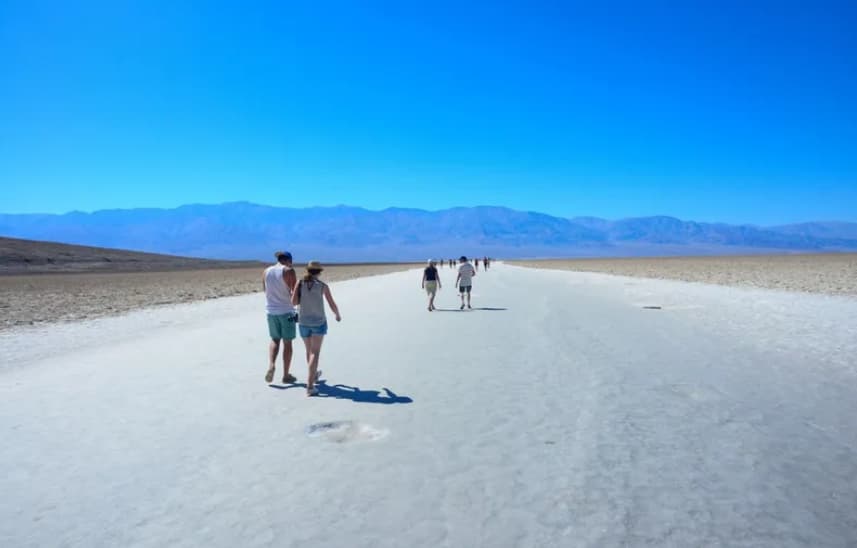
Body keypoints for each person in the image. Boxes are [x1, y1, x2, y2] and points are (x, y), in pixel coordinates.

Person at [291, 260, 342, 396]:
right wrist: (337, 314)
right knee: (315, 352)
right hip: (318, 323)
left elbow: (293, 302)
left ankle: (313, 375)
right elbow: (331, 303)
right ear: (319, 272)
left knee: (309, 351)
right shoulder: (322, 286)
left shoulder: (300, 283)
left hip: (303, 322)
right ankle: (310, 386)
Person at [263, 251, 298, 383]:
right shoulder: (289, 271)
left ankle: (271, 365)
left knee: (275, 339)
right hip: (287, 311)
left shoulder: (266, 271)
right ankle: (286, 374)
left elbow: (265, 291)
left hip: (271, 312)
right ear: (288, 260)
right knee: (287, 342)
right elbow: (295, 292)